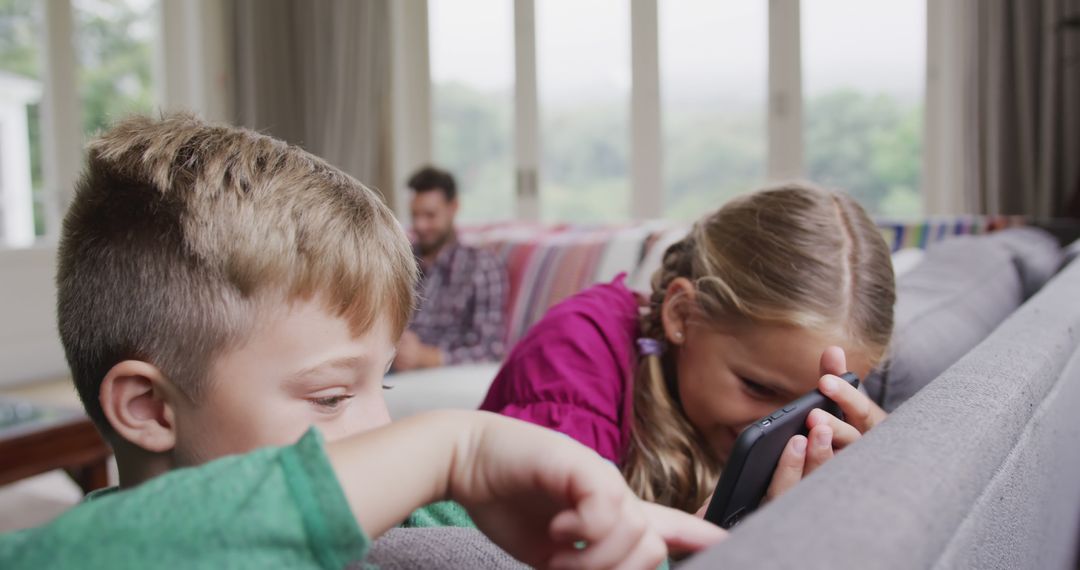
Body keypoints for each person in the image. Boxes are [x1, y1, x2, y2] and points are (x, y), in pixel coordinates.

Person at [0, 115, 725, 568]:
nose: (383, 432)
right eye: (330, 396)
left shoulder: (418, 516)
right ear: (151, 409)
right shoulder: (99, 550)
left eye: (380, 386)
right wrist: (451, 445)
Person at [480, 184, 896, 513]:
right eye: (757, 387)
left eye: (815, 405)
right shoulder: (576, 358)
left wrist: (880, 478)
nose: (783, 430)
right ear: (682, 316)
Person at [394, 166, 507, 371]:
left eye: (430, 215)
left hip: (440, 371)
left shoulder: (481, 266)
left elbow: (490, 349)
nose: (420, 225)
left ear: (453, 207)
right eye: (415, 215)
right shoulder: (399, 260)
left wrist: (425, 357)